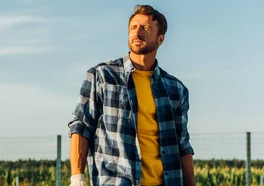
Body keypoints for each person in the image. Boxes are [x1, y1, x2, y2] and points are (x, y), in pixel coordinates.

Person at [68, 4, 195, 186]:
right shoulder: (102, 76)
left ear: (160, 39)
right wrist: (77, 178)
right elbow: (81, 126)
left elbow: (183, 145)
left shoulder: (176, 90)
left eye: (146, 28)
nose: (137, 32)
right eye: (133, 27)